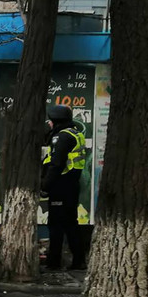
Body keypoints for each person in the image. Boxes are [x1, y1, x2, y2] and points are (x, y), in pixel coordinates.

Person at [41, 105, 87, 270]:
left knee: (56, 225)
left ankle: (54, 262)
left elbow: (56, 164)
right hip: (72, 184)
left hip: (61, 185)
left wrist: (45, 185)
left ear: (56, 121)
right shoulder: (75, 133)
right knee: (70, 223)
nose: (49, 124)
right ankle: (79, 261)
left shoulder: (62, 137)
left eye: (51, 121)